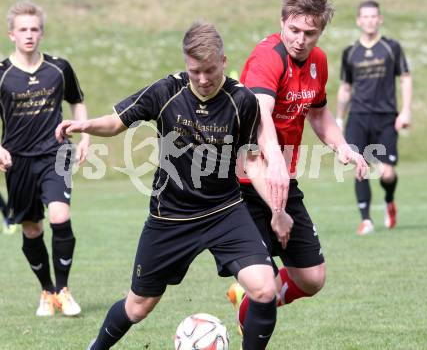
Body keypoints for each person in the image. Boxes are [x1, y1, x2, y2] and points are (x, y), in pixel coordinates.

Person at [56, 22, 278, 350]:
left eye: (209, 70)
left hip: (224, 211)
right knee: (138, 306)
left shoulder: (241, 100)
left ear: (224, 61)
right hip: (170, 217)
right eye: (194, 71)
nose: (202, 79)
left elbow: (251, 161)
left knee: (264, 288)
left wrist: (277, 210)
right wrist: (85, 124)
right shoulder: (166, 91)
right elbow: (117, 121)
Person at [226, 0, 368, 333]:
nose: (301, 40)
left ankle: (250, 300)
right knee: (265, 286)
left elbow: (318, 114)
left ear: (320, 33)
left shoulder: (318, 61)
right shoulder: (267, 57)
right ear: (282, 23)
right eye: (294, 30)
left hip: (281, 179)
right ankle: (257, 301)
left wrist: (343, 147)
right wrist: (276, 172)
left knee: (313, 278)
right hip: (245, 182)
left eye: (310, 33)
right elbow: (260, 114)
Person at [0, 0, 89, 316]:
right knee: (32, 229)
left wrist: (85, 136)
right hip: (18, 161)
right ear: (11, 34)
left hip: (56, 153)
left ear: (41, 33)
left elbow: (77, 102)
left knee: (59, 218)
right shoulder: (2, 73)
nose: (29, 35)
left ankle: (63, 290)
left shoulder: (58, 68)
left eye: (34, 29)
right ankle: (46, 291)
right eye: (23, 29)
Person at [336, 0, 412, 235]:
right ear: (359, 21)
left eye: (373, 16)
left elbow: (405, 78)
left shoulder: (391, 48)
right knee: (359, 166)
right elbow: (346, 87)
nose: (369, 20)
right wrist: (339, 119)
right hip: (358, 116)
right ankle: (366, 220)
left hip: (386, 116)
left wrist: (406, 110)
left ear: (380, 19)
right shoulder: (350, 52)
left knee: (387, 173)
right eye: (365, 17)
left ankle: (389, 200)